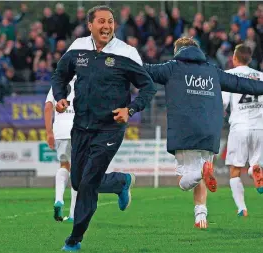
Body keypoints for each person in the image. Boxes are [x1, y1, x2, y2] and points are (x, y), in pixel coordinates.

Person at [51, 5, 156, 251]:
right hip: (81, 126)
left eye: (110, 21)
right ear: (90, 25)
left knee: (87, 183)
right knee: (78, 181)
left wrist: (130, 110)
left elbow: (148, 86)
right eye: (101, 21)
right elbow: (60, 75)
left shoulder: (127, 53)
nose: (107, 26)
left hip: (110, 128)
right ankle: (120, 182)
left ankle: (74, 239)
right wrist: (60, 96)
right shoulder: (77, 48)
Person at [144, 37, 263, 229]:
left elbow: (145, 70)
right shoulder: (212, 71)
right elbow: (242, 84)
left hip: (185, 132)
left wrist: (118, 63)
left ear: (178, 52)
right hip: (210, 133)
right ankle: (201, 217)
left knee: (185, 181)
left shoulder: (172, 67)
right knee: (201, 170)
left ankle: (201, 173)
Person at [222, 44, 263, 217]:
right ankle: (255, 169)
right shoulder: (261, 76)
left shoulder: (228, 76)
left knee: (234, 170)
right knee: (256, 163)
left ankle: (242, 208)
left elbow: (222, 104)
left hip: (239, 126)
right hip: (260, 127)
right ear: (250, 59)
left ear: (235, 58)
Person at [45, 76, 77, 222]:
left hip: (60, 130)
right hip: (79, 128)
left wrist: (49, 132)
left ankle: (59, 199)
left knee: (64, 165)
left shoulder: (58, 82)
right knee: (78, 171)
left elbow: (47, 107)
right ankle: (72, 215)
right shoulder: (85, 79)